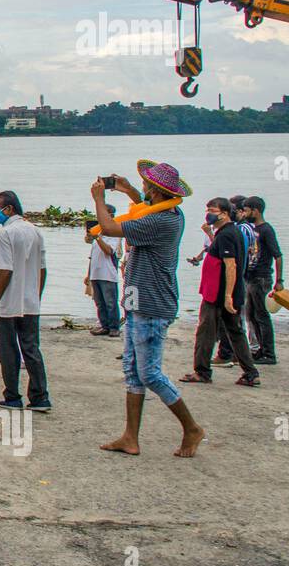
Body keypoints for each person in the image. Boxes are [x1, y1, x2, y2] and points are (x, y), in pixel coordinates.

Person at [93, 161, 205, 458]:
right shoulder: (168, 211)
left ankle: (191, 427)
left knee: (150, 373)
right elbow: (142, 207)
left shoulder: (161, 222)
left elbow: (109, 227)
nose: (142, 189)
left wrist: (98, 199)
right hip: (136, 300)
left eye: (145, 186)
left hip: (152, 303)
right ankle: (130, 437)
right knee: (132, 370)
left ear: (154, 191)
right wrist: (128, 189)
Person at [182, 198, 260, 386]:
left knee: (206, 332)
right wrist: (209, 233)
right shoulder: (227, 232)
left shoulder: (227, 234)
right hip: (225, 292)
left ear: (224, 213)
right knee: (235, 332)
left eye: (212, 210)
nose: (208, 213)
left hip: (218, 294)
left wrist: (227, 296)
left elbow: (231, 265)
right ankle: (250, 373)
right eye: (207, 209)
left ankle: (202, 371)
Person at [0, 190, 50, 412]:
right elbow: (43, 269)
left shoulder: (6, 234)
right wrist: (37, 295)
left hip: (9, 302)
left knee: (7, 350)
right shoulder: (35, 231)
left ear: (9, 208)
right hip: (30, 301)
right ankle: (40, 396)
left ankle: (12, 395)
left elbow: (5, 270)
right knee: (31, 348)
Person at [241, 196, 283, 365]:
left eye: (247, 210)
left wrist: (279, 280)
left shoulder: (266, 230)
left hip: (262, 277)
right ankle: (261, 350)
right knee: (251, 315)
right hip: (251, 277)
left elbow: (278, 256)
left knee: (262, 315)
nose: (244, 213)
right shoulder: (254, 229)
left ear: (255, 211)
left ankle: (269, 353)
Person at [85, 204, 122, 336]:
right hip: (96, 272)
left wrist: (97, 238)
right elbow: (92, 256)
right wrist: (88, 274)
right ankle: (104, 325)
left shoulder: (114, 233)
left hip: (108, 273)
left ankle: (114, 327)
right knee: (99, 302)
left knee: (110, 302)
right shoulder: (99, 232)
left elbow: (109, 251)